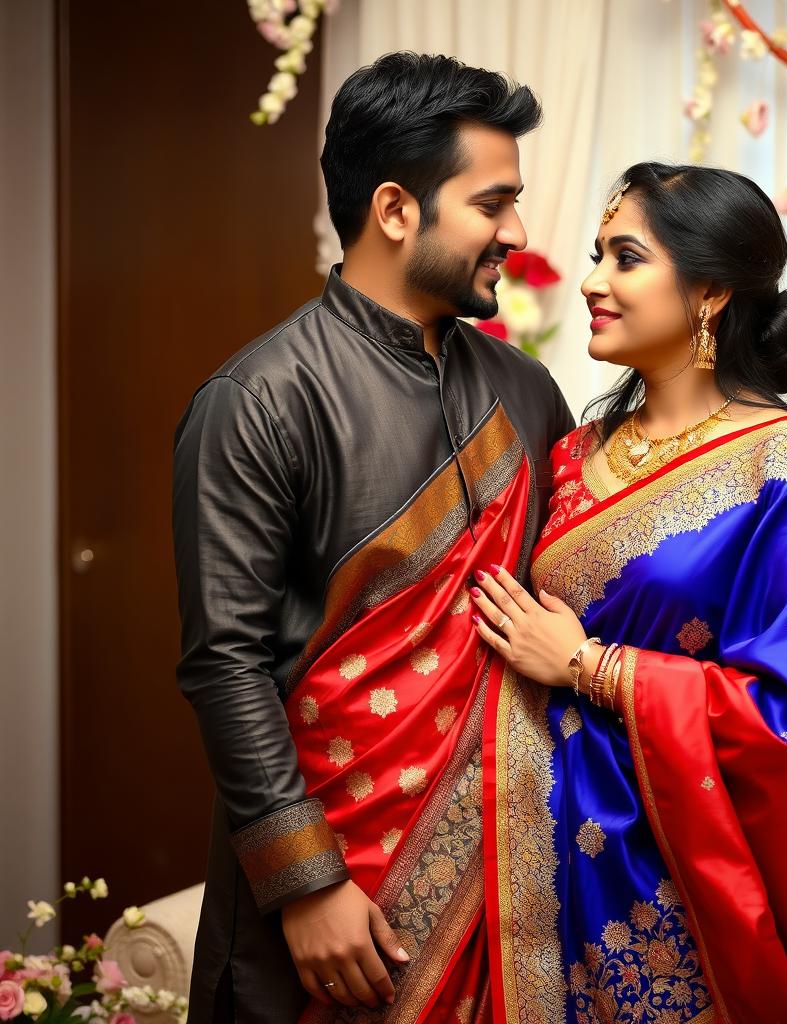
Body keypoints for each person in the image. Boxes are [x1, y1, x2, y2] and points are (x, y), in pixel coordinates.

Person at [471, 163, 787, 1022]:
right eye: (596, 255)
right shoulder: (570, 453)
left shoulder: (786, 468)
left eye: (626, 258)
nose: (592, 281)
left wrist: (588, 664)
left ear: (709, 292)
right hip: (534, 856)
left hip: (679, 884)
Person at [172, 52, 574, 1023]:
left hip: (506, 891)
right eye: (492, 203)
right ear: (396, 210)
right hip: (325, 912)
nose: (515, 232)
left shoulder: (525, 391)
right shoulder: (259, 401)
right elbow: (227, 661)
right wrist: (303, 880)